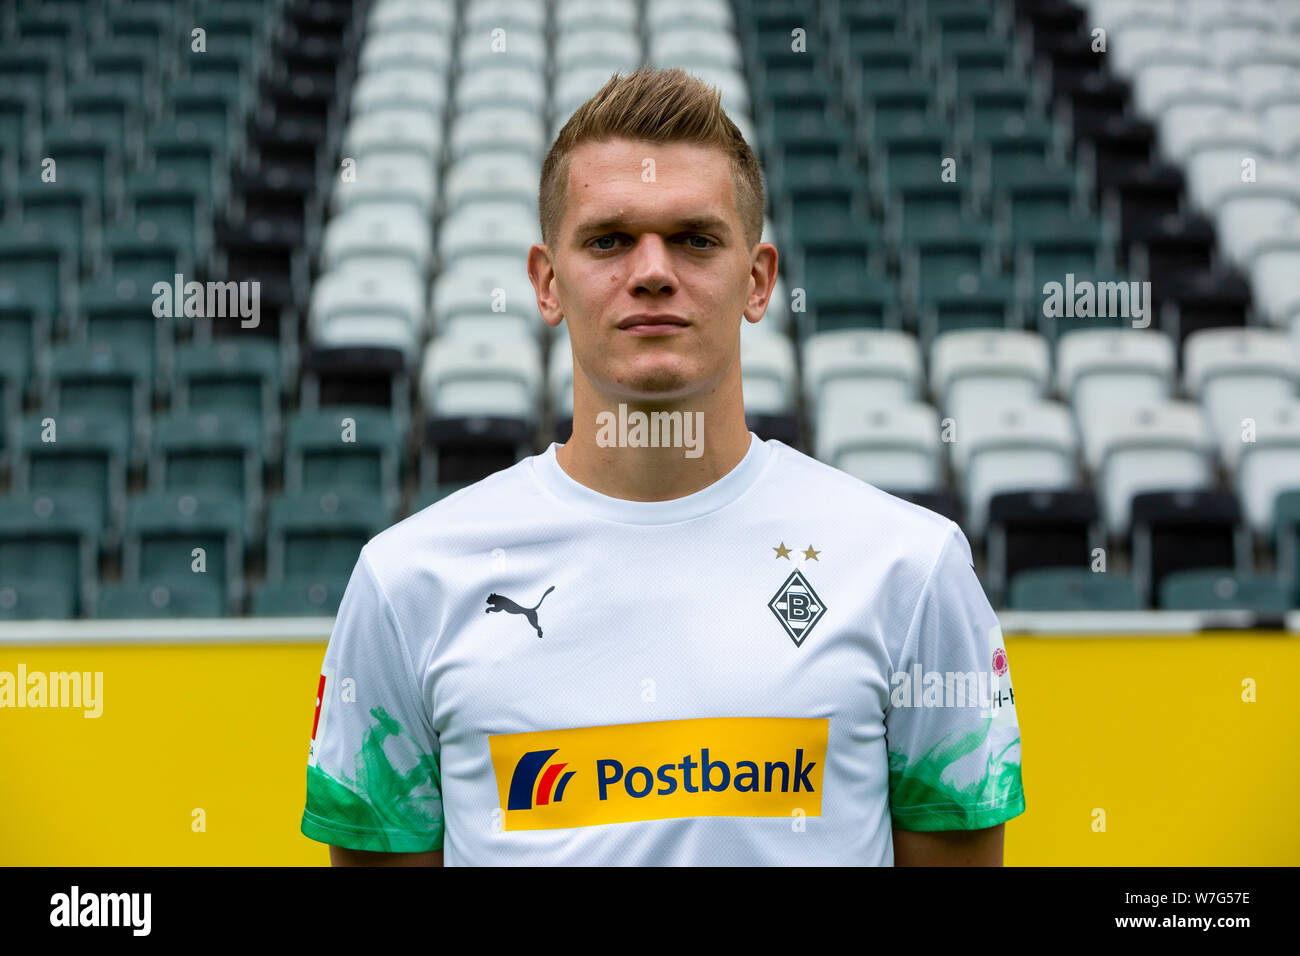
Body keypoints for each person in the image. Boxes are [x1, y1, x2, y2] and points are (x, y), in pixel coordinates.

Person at [300, 67, 1024, 866]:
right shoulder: (408, 581)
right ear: (547, 283)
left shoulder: (909, 567)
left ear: (757, 280)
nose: (652, 270)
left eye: (695, 239)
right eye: (609, 240)